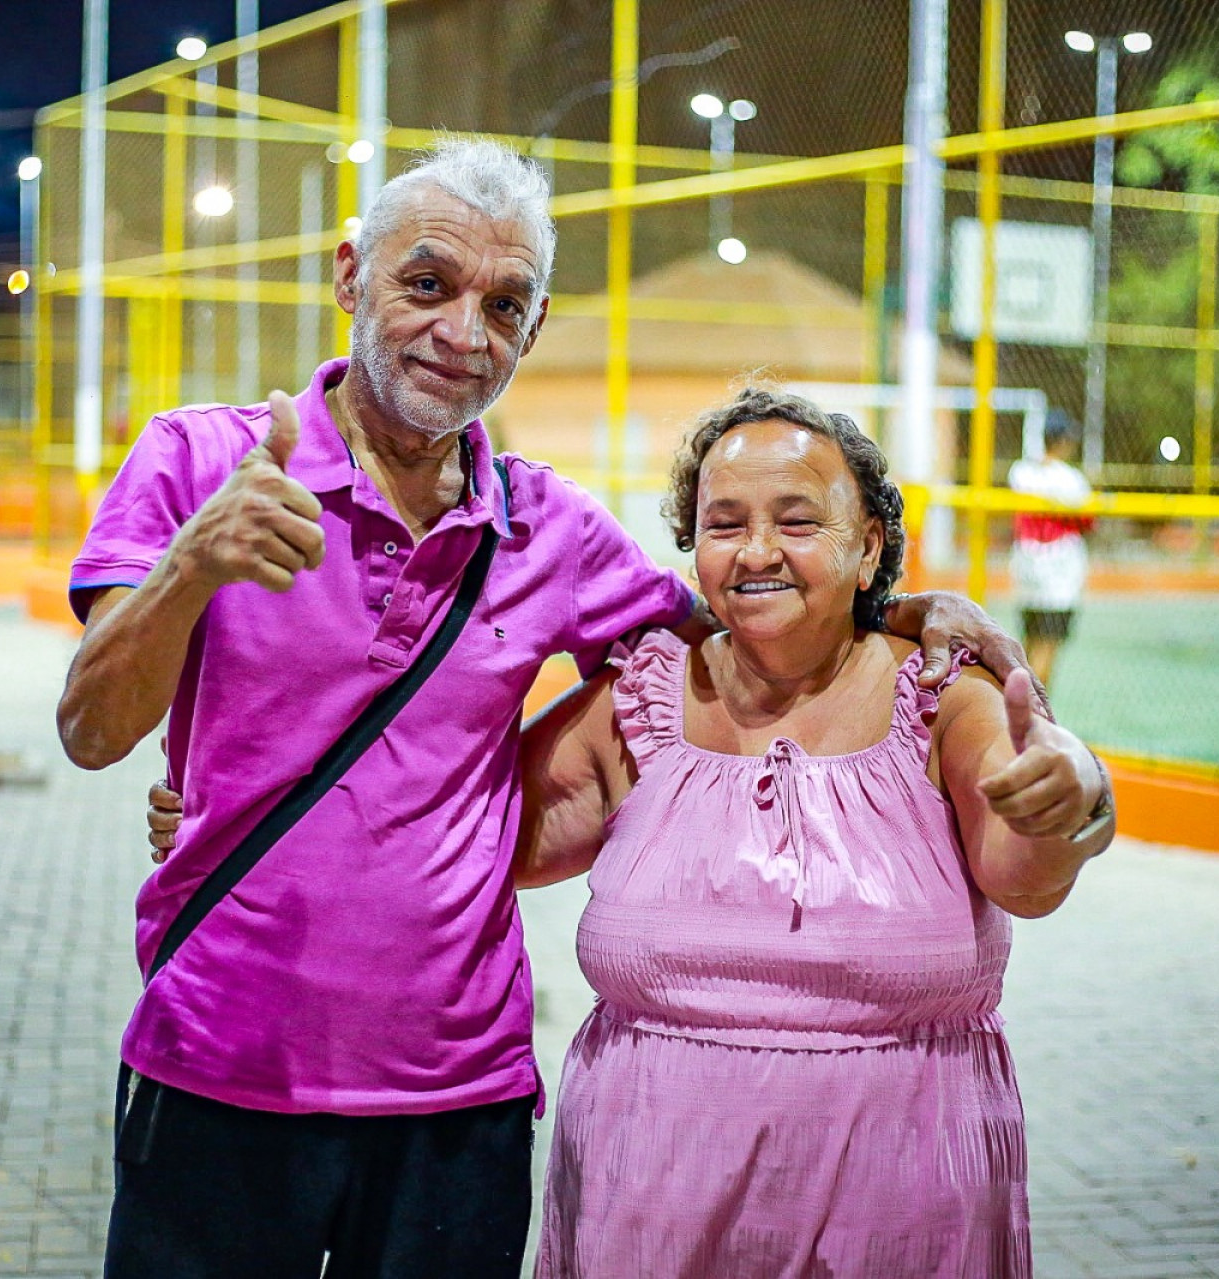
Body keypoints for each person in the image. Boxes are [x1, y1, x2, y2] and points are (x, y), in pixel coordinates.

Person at [59, 139, 1031, 1278]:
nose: (464, 334)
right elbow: (91, 730)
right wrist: (194, 566)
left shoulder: (551, 530)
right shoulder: (200, 460)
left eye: (504, 305)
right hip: (221, 1060)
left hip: (457, 1096)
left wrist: (898, 606)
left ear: (535, 321)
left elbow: (737, 624)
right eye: (427, 284)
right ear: (348, 274)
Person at [151, 389, 1114, 1276]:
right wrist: (237, 810)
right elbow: (456, 821)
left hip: (902, 1206)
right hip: (649, 1208)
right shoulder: (645, 701)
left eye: (799, 520)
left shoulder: (944, 693)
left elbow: (1023, 871)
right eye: (723, 524)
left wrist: (1071, 800)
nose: (757, 550)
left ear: (869, 547)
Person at [1006, 409, 1092, 692]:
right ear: (1064, 441)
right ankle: (1033, 715)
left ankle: (1017, 709)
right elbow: (1087, 521)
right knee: (1048, 645)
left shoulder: (1021, 471)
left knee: (1028, 643)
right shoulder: (1071, 480)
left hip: (1026, 562)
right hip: (1059, 569)